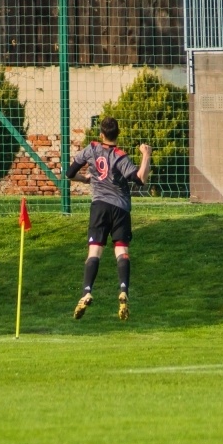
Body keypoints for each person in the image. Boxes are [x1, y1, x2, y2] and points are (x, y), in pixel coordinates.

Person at [65, 116, 152, 321]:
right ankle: (123, 290)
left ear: (101, 134)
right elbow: (140, 180)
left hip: (99, 207)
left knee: (94, 251)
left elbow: (70, 173)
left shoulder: (92, 149)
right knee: (121, 250)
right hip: (120, 208)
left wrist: (86, 178)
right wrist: (146, 155)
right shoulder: (121, 157)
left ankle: (86, 291)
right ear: (118, 133)